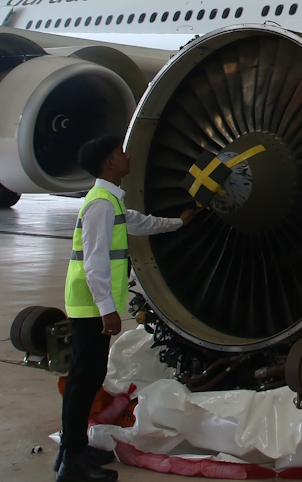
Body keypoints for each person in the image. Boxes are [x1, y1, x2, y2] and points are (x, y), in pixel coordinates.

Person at [58, 136, 198, 482]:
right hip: (90, 308)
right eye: (120, 153)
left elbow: (139, 222)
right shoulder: (101, 205)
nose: (127, 156)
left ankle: (72, 449)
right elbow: (94, 264)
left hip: (93, 306)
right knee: (82, 380)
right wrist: (106, 309)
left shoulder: (111, 202)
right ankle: (72, 462)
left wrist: (178, 222)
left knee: (86, 378)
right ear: (109, 164)